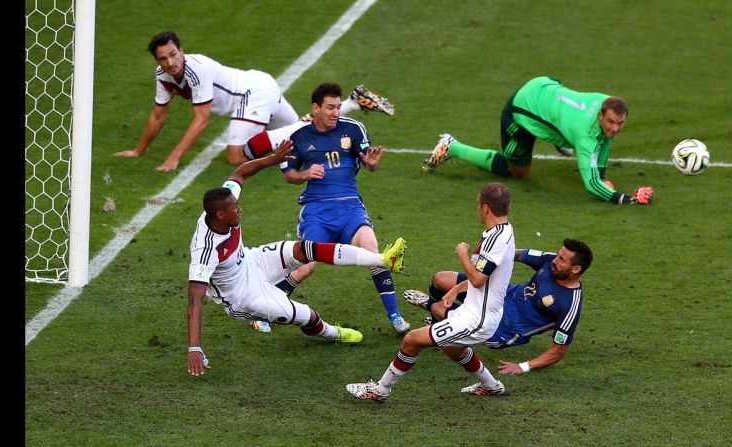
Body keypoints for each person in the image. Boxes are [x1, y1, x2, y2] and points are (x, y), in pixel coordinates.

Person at [186, 139, 407, 376]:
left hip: (252, 260)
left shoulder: (224, 205)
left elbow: (240, 172)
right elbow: (195, 300)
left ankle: (383, 260)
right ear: (220, 214)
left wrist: (273, 159)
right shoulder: (206, 249)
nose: (239, 209)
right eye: (234, 208)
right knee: (307, 316)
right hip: (243, 295)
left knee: (305, 249)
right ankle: (334, 333)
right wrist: (195, 347)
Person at [115, 30, 394, 172]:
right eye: (163, 58)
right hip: (260, 85)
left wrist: (174, 157)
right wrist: (138, 151)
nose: (170, 62)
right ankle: (355, 102)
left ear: (181, 51)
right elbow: (158, 116)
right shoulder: (163, 76)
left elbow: (202, 120)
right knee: (298, 129)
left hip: (252, 96)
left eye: (173, 54)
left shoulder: (194, 69)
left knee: (235, 157)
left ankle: (320, 121)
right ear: (157, 61)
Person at [346, 183, 515, 401]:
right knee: (452, 349)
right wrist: (456, 288)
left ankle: (379, 391)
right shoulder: (502, 231)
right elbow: (490, 275)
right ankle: (492, 386)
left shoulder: (496, 239)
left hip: (478, 319)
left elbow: (479, 278)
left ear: (485, 208)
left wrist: (462, 254)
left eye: (477, 203)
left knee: (411, 340)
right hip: (475, 311)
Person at [279, 82, 410, 334]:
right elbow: (289, 174)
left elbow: (368, 163)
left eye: (338, 107)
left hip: (350, 207)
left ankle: (395, 317)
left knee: (374, 252)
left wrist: (372, 164)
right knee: (306, 264)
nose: (335, 112)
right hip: (317, 211)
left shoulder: (354, 129)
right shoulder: (300, 137)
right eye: (329, 107)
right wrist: (305, 173)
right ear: (315, 108)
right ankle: (266, 306)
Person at [423, 76, 653, 205]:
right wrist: (623, 198)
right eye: (611, 122)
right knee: (519, 172)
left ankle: (560, 136)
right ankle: (451, 146)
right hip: (521, 110)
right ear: (601, 114)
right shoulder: (584, 135)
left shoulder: (606, 102)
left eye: (620, 123)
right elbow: (590, 185)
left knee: (588, 134)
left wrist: (602, 176)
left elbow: (605, 142)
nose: (615, 128)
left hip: (546, 85)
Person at [402, 238, 592, 376]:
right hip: (501, 294)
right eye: (558, 255)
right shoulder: (550, 261)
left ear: (576, 269)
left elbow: (559, 349)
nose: (555, 261)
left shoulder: (570, 304)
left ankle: (434, 313)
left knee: (437, 307)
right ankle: (437, 323)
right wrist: (489, 260)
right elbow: (515, 254)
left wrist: (523, 366)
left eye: (562, 260)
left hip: (502, 329)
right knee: (440, 279)